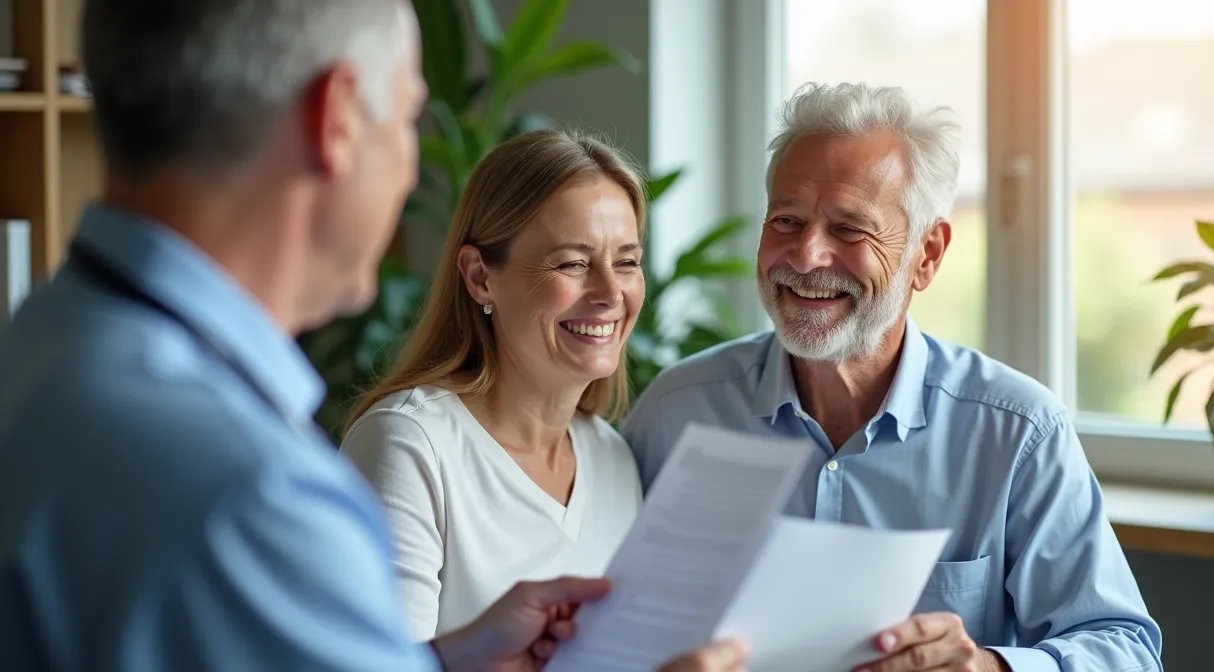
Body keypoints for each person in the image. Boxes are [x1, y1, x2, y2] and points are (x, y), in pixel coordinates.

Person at [0, 1, 745, 670]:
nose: (410, 166)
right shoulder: (250, 492)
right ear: (339, 119)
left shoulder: (42, 349)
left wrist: (449, 658)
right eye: (407, 117)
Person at [621, 82, 1165, 672]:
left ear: (926, 255)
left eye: (849, 229)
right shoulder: (678, 412)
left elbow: (1124, 649)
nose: (805, 257)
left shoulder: (1017, 432)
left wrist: (989, 668)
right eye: (786, 220)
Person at [340, 127, 646, 640]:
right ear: (481, 276)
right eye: (573, 263)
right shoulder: (409, 445)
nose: (610, 292)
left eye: (627, 262)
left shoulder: (613, 459)